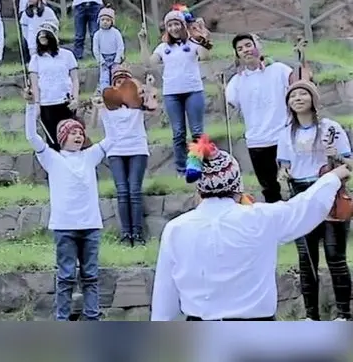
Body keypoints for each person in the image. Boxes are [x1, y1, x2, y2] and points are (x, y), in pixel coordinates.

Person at [151, 135, 350, 321]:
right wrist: (332, 178)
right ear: (237, 185)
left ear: (199, 187)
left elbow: (164, 301)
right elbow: (303, 207)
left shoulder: (175, 229)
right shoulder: (260, 219)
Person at [24, 86, 112, 321]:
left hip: (91, 226)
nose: (78, 135)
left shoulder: (90, 156)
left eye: (80, 132)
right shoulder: (51, 158)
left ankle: (92, 318)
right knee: (65, 277)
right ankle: (62, 320)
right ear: (63, 137)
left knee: (91, 276)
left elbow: (112, 139)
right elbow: (32, 137)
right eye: (73, 132)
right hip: (64, 227)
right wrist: (31, 106)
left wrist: (103, 111)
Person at [276, 77, 353, 321]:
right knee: (306, 259)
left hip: (328, 192)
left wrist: (337, 158)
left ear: (313, 99)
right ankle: (311, 316)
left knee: (335, 257)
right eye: (293, 96)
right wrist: (282, 174)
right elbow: (283, 167)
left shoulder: (331, 127)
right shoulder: (286, 133)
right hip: (300, 192)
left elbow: (349, 165)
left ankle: (344, 314)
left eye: (303, 94)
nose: (297, 98)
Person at [140, 5, 211, 175]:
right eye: (170, 25)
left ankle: (200, 166)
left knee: (197, 131)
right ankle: (181, 168)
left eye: (176, 24)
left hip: (193, 90)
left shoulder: (193, 42)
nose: (174, 28)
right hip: (172, 93)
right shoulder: (162, 47)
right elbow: (148, 63)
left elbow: (205, 56)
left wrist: (204, 38)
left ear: (183, 25)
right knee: (178, 132)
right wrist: (143, 42)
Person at [224, 33, 293, 203]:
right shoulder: (236, 82)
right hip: (257, 141)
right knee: (270, 189)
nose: (245, 50)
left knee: (296, 182)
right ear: (237, 55)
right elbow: (231, 103)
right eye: (240, 49)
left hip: (284, 137)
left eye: (248, 45)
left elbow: (297, 85)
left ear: (258, 46)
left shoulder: (279, 70)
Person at [92, 67, 149, 246]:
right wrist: (96, 107)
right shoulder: (108, 105)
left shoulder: (138, 103)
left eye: (125, 81)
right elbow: (93, 125)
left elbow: (153, 106)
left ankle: (137, 233)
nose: (121, 85)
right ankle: (126, 234)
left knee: (134, 190)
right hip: (115, 151)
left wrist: (146, 88)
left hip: (137, 149)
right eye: (117, 81)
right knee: (122, 192)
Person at [29, 20, 80, 151]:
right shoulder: (35, 59)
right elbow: (34, 83)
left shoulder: (67, 55)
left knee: (69, 137)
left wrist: (75, 99)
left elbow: (74, 79)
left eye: (45, 36)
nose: (42, 39)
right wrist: (37, 104)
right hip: (46, 104)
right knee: (52, 140)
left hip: (65, 102)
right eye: (40, 37)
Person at [19, 0, 57, 65]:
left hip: (46, 42)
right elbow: (24, 29)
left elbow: (54, 25)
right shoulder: (25, 14)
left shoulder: (47, 11)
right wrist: (29, 38)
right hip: (32, 43)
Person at [91, 5, 124, 92]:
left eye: (108, 20)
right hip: (103, 58)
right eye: (103, 20)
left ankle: (117, 91)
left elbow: (120, 46)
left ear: (112, 21)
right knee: (104, 77)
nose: (105, 22)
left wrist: (117, 59)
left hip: (114, 58)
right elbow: (95, 49)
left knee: (116, 75)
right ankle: (105, 92)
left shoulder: (116, 33)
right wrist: (101, 60)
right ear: (99, 21)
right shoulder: (97, 34)